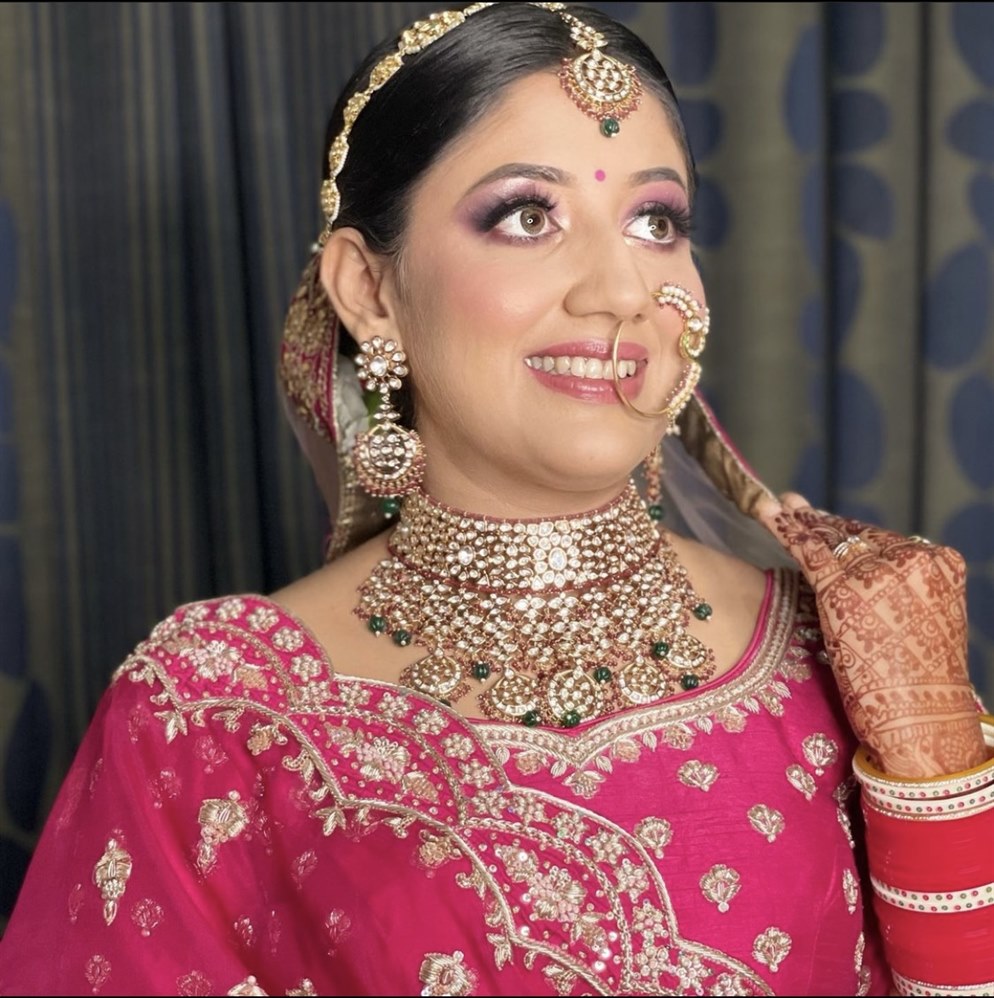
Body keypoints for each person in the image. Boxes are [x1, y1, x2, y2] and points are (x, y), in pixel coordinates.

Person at [1, 3, 991, 995]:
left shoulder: (851, 649)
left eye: (656, 222)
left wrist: (935, 755)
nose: (620, 290)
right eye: (527, 216)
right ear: (368, 289)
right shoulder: (207, 716)